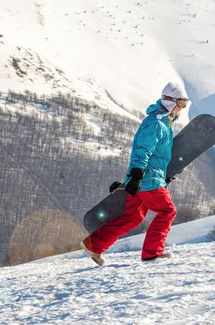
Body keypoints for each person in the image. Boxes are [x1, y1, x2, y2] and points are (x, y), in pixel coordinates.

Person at [81, 82, 189, 266]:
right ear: (171, 102)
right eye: (181, 104)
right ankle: (152, 253)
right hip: (148, 180)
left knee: (132, 217)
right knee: (167, 211)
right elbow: (142, 149)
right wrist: (138, 175)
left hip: (149, 177)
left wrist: (162, 175)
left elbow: (156, 155)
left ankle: (94, 245)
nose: (183, 108)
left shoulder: (164, 123)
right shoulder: (156, 123)